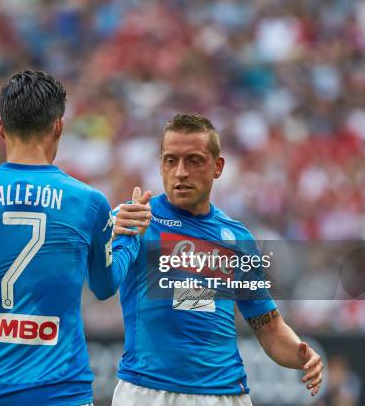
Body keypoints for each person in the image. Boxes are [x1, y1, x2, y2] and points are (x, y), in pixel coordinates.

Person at [111, 114, 323, 405]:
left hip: (225, 394)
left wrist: (301, 353)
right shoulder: (135, 218)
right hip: (149, 392)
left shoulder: (237, 238)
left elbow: (268, 327)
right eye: (171, 161)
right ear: (161, 165)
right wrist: (110, 238)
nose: (181, 172)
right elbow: (101, 281)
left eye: (194, 160)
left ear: (218, 167)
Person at [0, 70, 150, 406]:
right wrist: (128, 237)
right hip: (61, 390)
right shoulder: (87, 202)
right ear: (59, 126)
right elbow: (105, 285)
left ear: (0, 128)